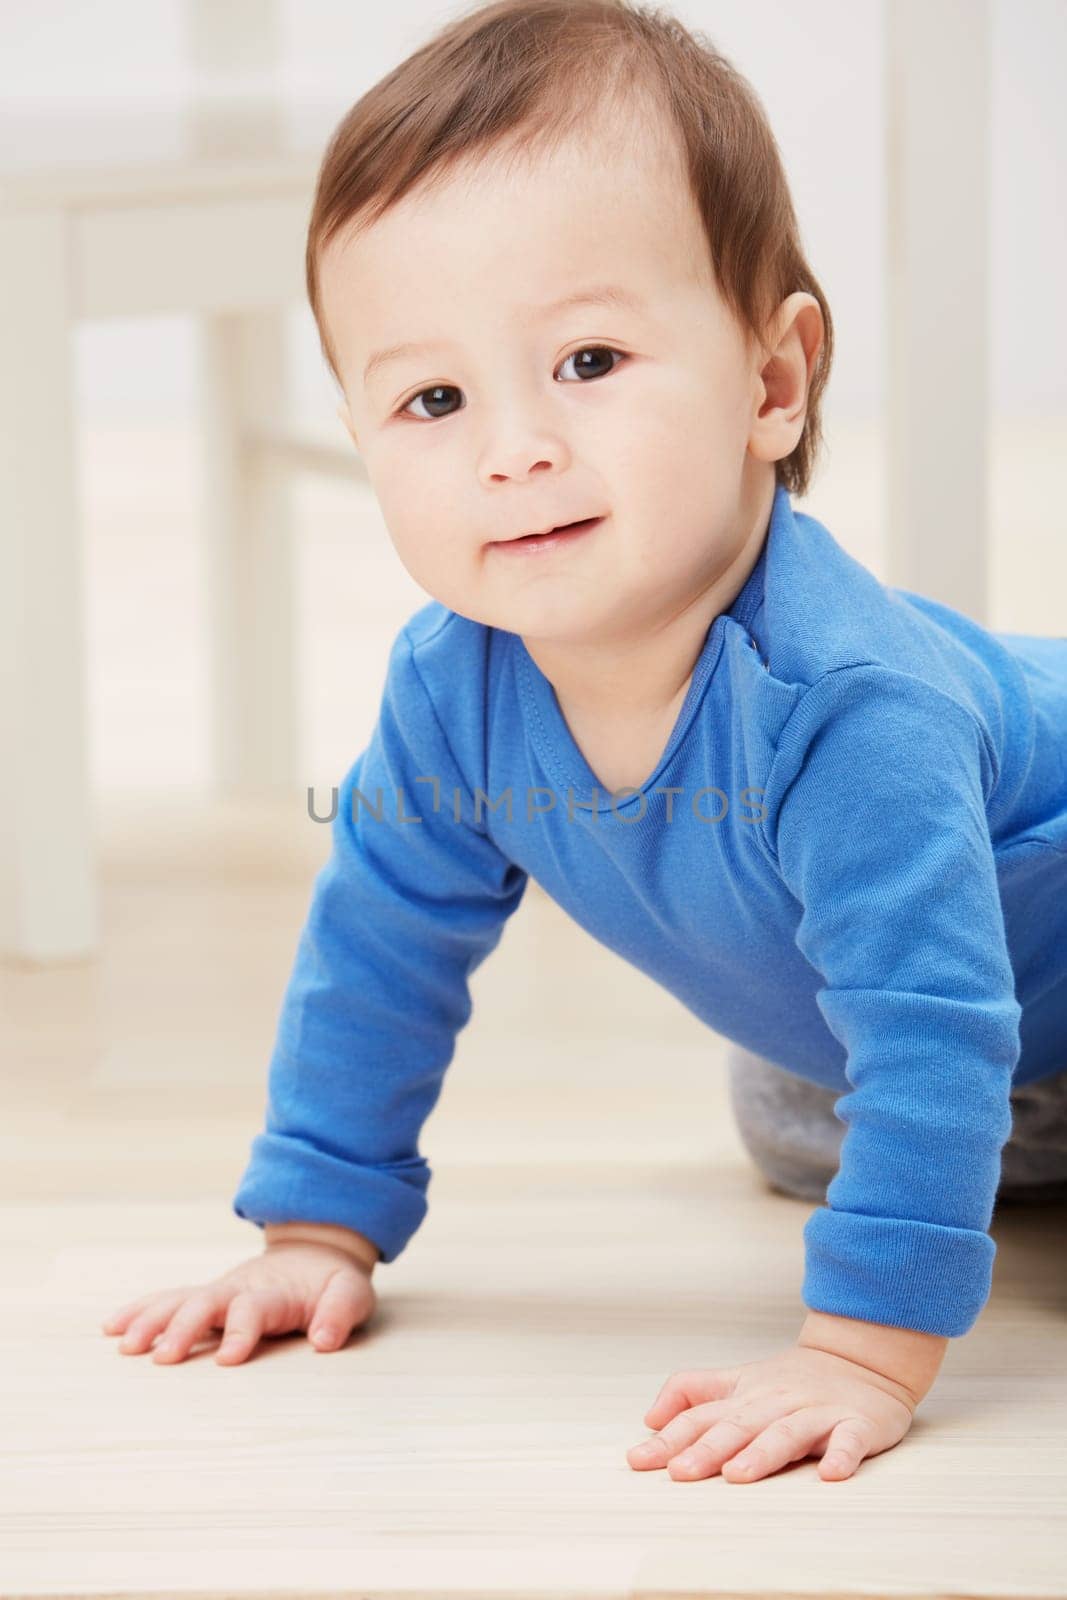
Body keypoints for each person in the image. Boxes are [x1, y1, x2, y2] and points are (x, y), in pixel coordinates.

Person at [101, 0, 1067, 1486]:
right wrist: (317, 1223)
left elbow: (936, 1027)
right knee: (804, 1119)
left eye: (591, 360)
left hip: (990, 983)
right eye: (433, 397)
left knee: (916, 1074)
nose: (512, 449)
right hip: (906, 1011)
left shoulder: (850, 710)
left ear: (772, 380)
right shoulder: (451, 692)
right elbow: (379, 946)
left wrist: (862, 1349)